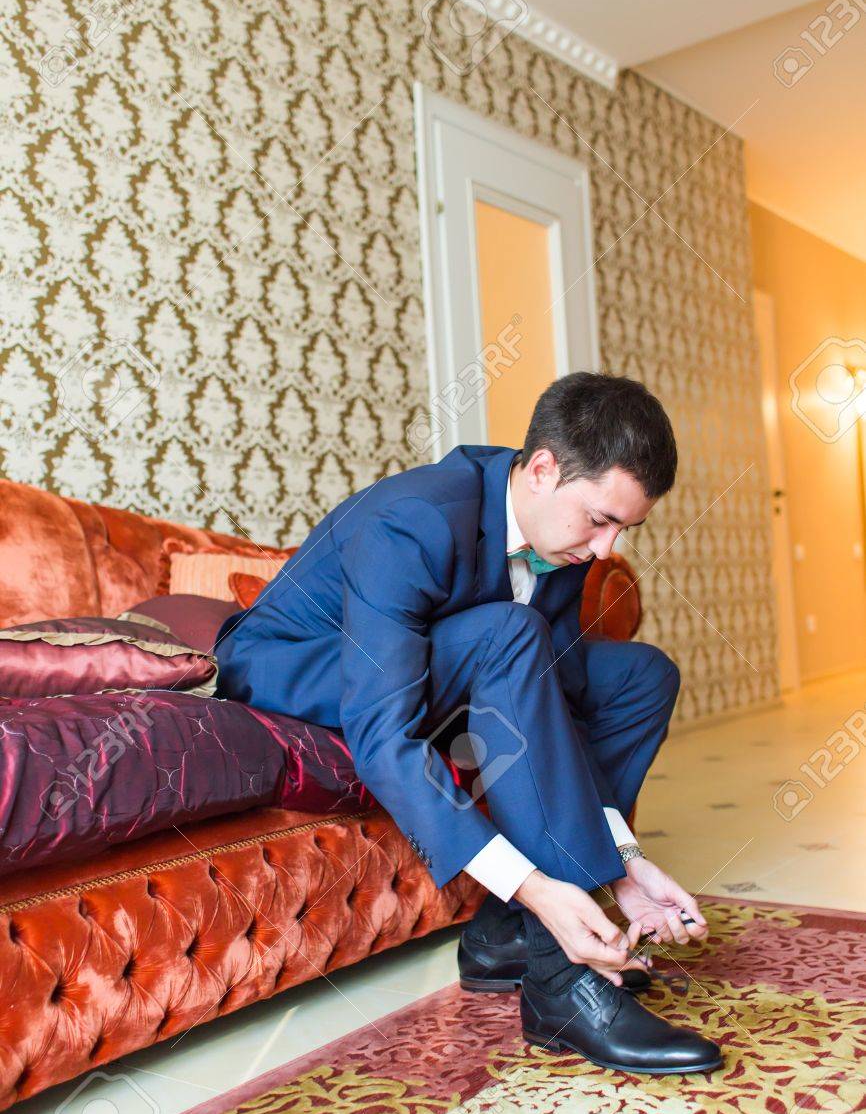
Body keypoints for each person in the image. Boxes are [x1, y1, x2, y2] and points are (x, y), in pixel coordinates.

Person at [214, 371, 722, 1075]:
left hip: (439, 662)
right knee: (508, 634)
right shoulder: (413, 520)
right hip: (300, 668)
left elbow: (561, 706)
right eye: (601, 520)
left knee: (641, 675)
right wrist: (534, 885)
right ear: (542, 469)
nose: (608, 551)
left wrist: (627, 863)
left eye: (625, 529)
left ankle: (502, 938)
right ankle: (561, 984)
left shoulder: (560, 542)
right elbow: (384, 736)